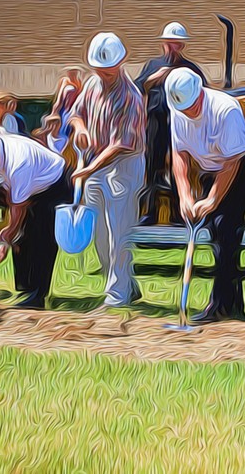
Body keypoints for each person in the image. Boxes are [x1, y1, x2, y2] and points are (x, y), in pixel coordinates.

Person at [166, 67, 245, 322]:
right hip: (211, 169)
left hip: (242, 166)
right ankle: (232, 300)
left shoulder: (225, 110)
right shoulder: (177, 111)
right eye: (183, 109)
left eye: (191, 106)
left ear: (200, 94)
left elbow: (232, 162)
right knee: (211, 228)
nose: (188, 112)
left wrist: (212, 200)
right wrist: (185, 194)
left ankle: (222, 304)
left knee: (224, 226)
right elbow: (180, 154)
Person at [69, 32, 147, 308]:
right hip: (93, 166)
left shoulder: (131, 97)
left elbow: (121, 144)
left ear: (121, 63)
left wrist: (89, 168)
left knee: (119, 233)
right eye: (99, 70)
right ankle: (127, 284)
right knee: (99, 233)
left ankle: (117, 295)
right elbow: (76, 114)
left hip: (122, 168)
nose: (104, 75)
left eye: (108, 70)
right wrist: (80, 129)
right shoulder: (91, 84)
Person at [0, 122, 67, 308]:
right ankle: (24, 287)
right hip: (27, 187)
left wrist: (7, 235)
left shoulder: (19, 161)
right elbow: (11, 193)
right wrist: (9, 236)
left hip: (53, 185)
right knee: (19, 238)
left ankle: (37, 294)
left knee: (39, 238)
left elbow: (19, 206)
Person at [135, 22, 206, 225]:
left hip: (181, 123)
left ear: (181, 46)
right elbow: (139, 88)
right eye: (169, 43)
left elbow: (204, 93)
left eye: (176, 44)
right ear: (164, 44)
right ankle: (149, 212)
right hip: (156, 121)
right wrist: (155, 78)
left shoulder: (190, 69)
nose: (172, 48)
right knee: (153, 165)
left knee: (180, 165)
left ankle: (177, 213)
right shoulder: (153, 65)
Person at [37, 66, 84, 154]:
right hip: (64, 110)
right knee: (61, 131)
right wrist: (54, 112)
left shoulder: (79, 83)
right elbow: (59, 99)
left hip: (73, 110)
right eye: (71, 72)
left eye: (75, 73)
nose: (73, 74)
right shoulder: (64, 81)